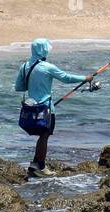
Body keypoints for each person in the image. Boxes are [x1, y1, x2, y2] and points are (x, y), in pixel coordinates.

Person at [14, 38, 96, 176]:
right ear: (43, 50)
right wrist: (85, 78)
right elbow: (66, 78)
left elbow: (19, 87)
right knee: (45, 135)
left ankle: (34, 164)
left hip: (31, 108)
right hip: (45, 108)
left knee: (42, 135)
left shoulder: (24, 66)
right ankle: (40, 166)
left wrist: (34, 85)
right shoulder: (47, 67)